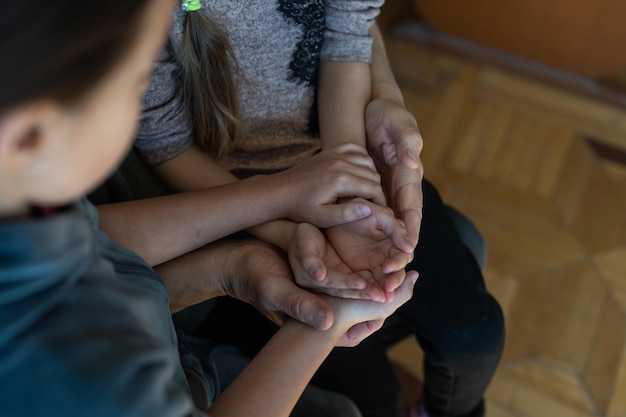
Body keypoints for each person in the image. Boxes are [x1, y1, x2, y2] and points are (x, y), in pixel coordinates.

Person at [0, 1, 419, 416]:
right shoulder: (93, 380)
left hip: (185, 352)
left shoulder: (28, 204)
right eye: (134, 84)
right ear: (30, 136)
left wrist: (234, 264)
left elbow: (98, 239)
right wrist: (322, 325)